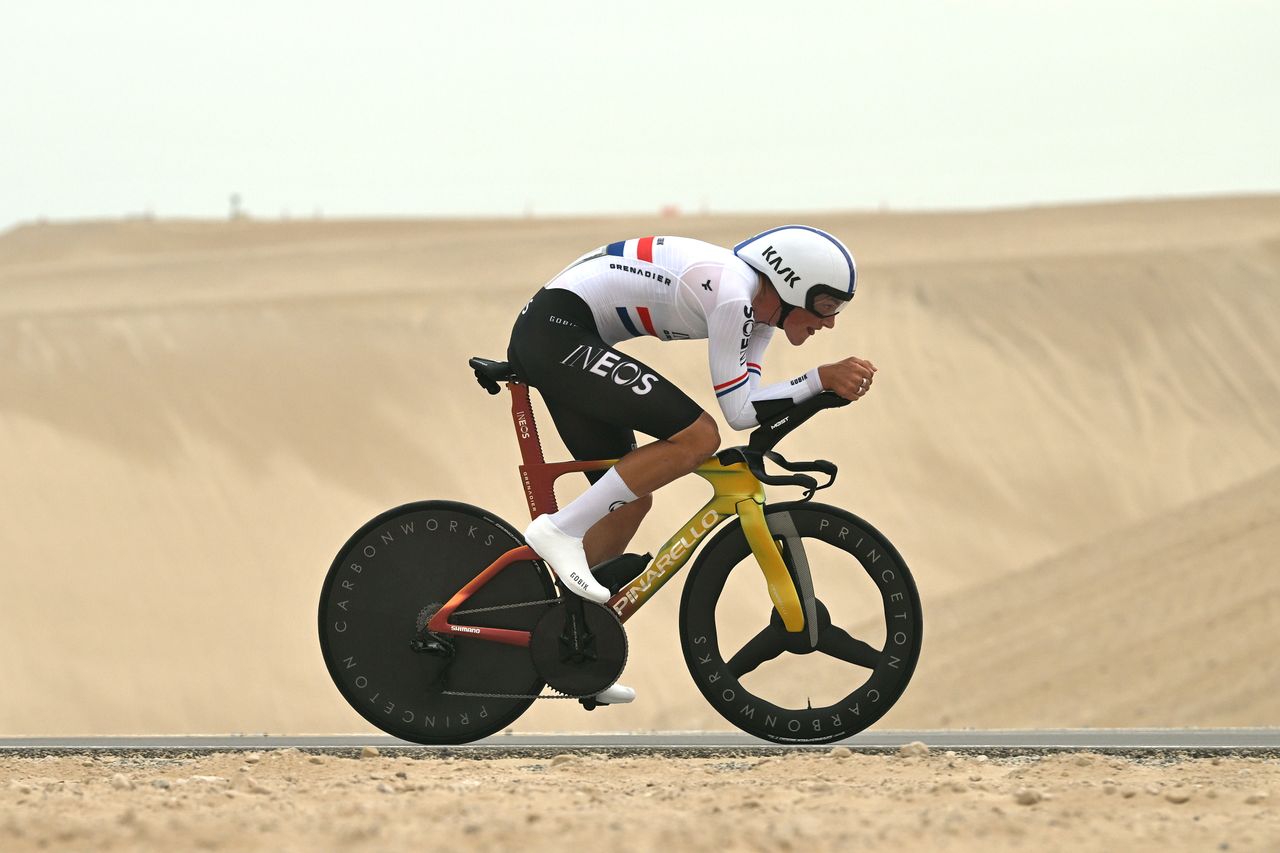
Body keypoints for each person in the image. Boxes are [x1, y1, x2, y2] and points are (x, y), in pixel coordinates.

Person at [505, 225, 877, 705]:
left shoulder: (759, 317)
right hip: (556, 335)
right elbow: (729, 414)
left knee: (629, 502)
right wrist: (819, 377)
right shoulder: (733, 295)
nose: (829, 322)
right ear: (789, 283)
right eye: (825, 306)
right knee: (698, 436)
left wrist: (817, 387)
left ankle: (572, 641)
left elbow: (745, 410)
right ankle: (560, 531)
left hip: (565, 336)